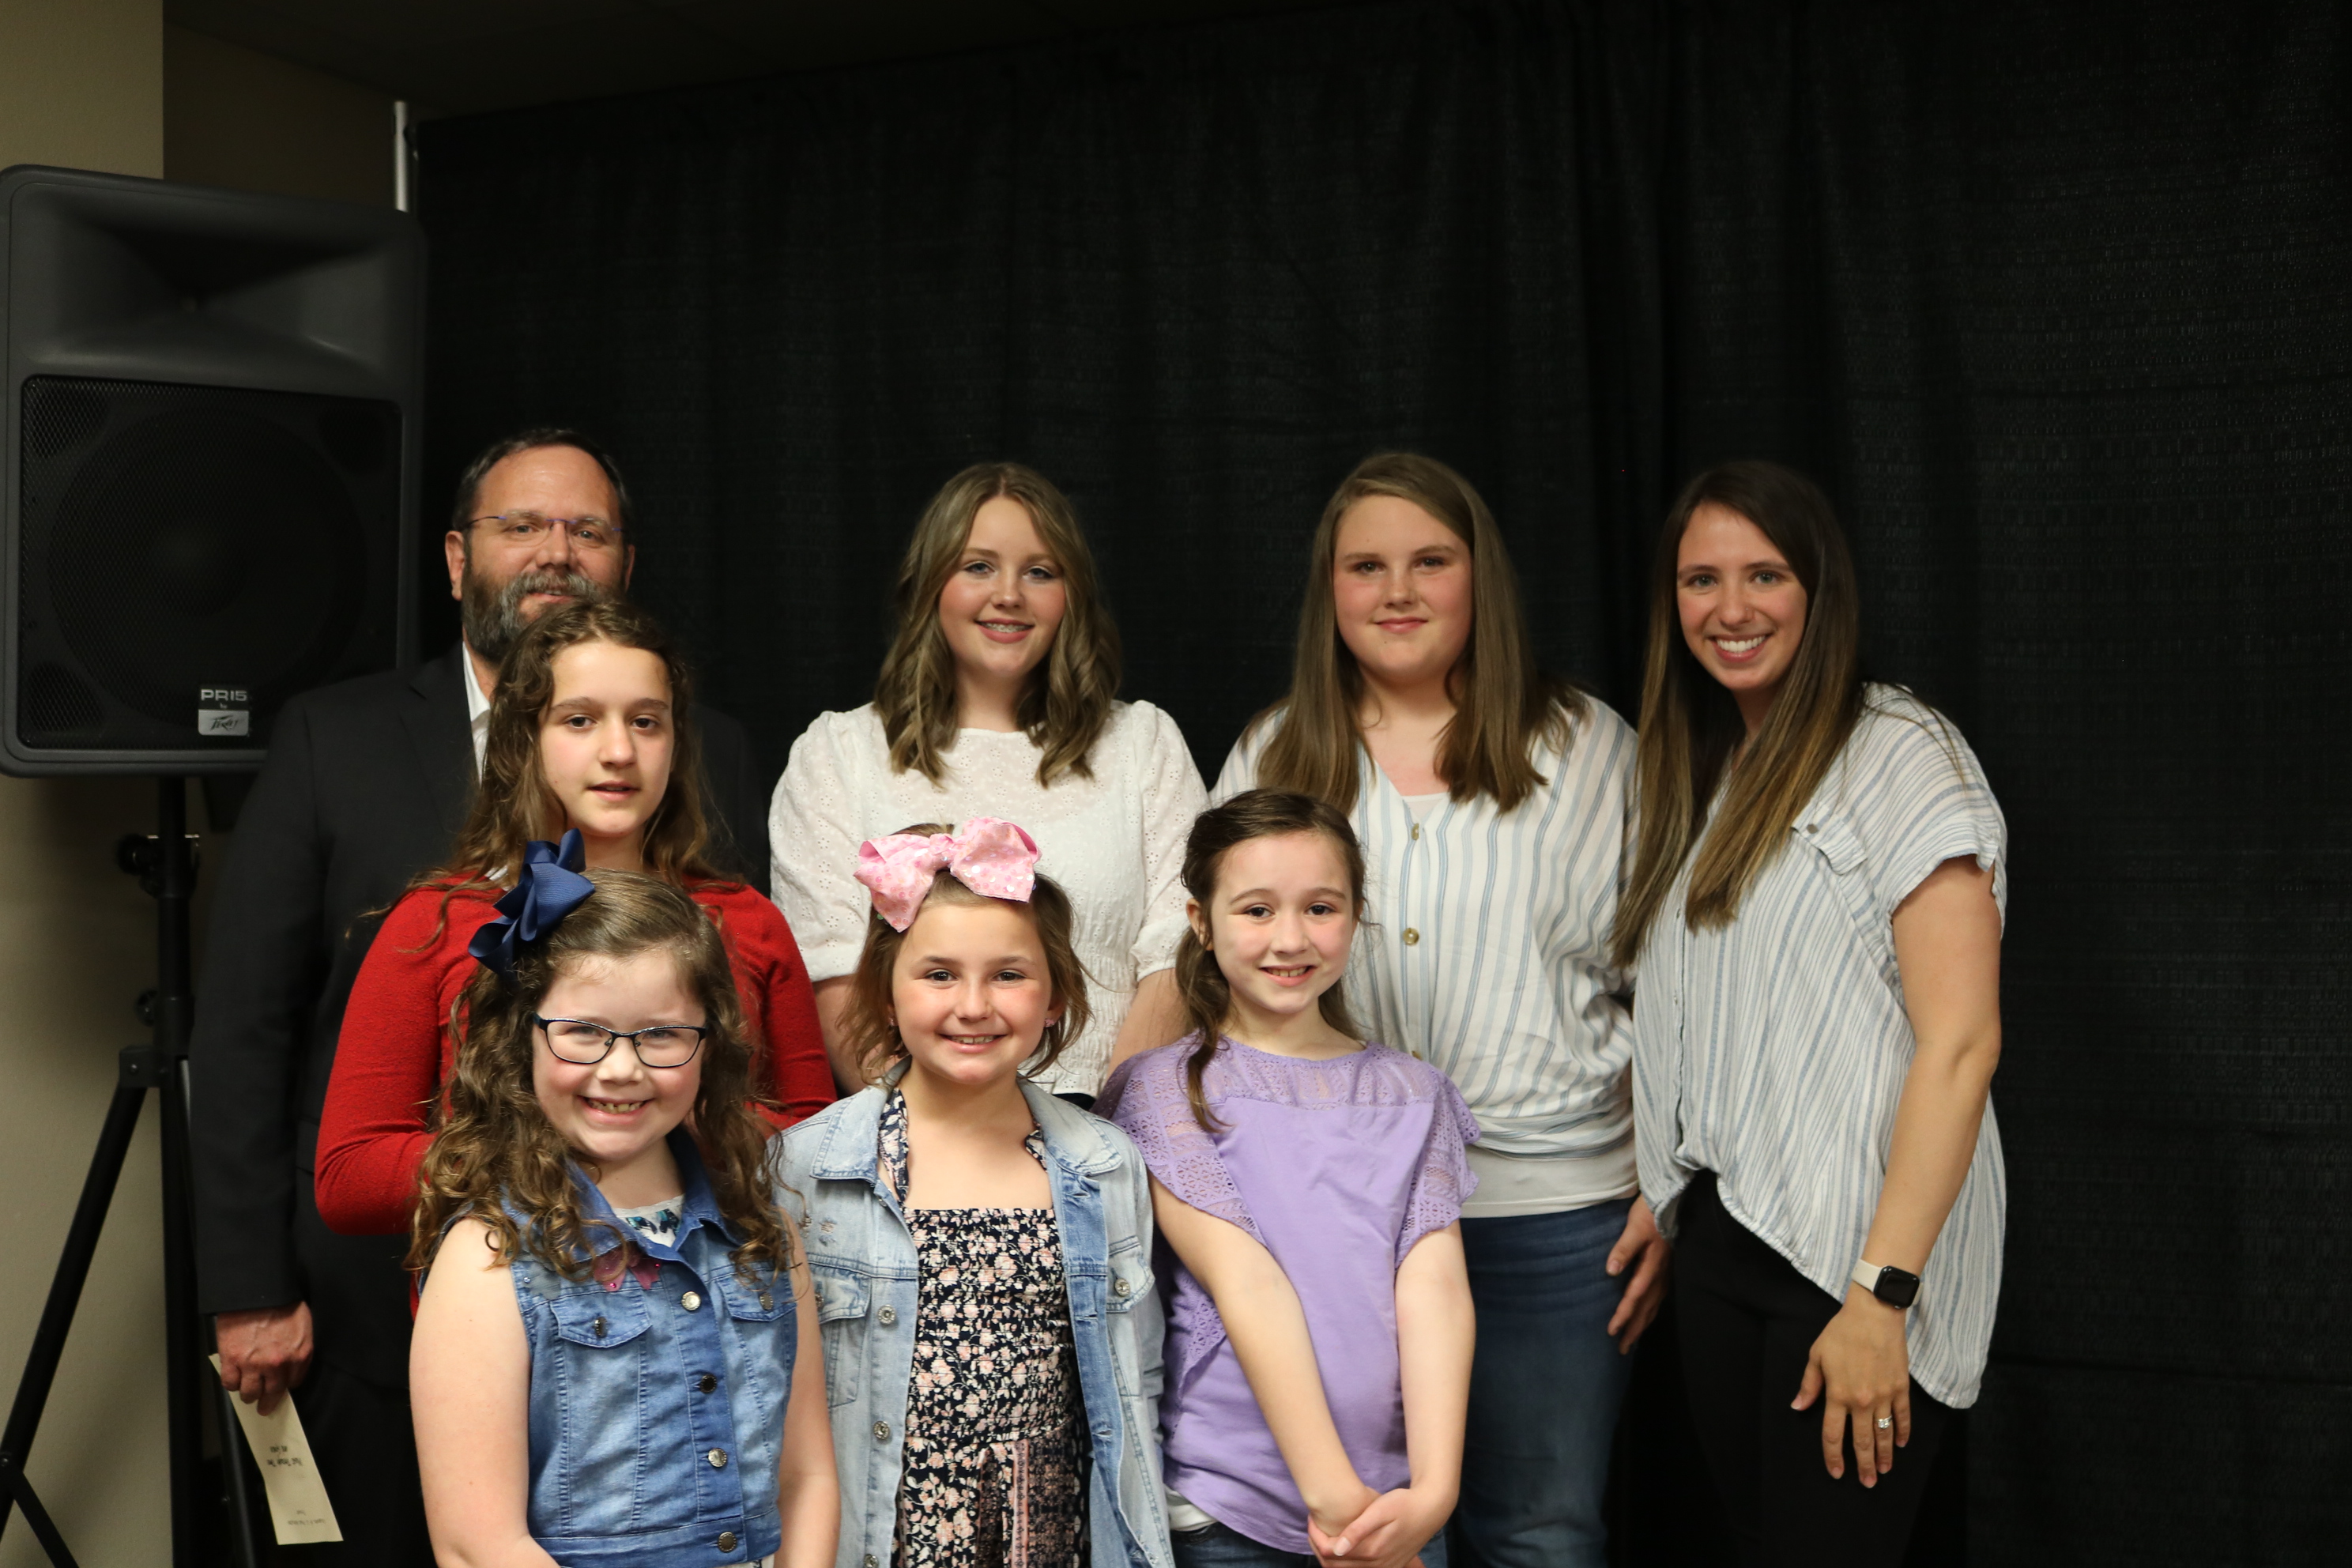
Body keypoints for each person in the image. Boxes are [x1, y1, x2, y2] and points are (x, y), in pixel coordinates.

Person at [190, 428, 770, 1563]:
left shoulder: (713, 751)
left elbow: (754, 1043)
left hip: (671, 1330)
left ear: (625, 566)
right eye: (522, 526)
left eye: (587, 531)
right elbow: (250, 1023)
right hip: (375, 1309)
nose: (556, 552)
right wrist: (249, 1285)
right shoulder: (335, 739)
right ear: (458, 561)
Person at [1211, 453, 1666, 1567]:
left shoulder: (1590, 751)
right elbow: (1210, 976)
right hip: (1329, 1212)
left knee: (1542, 1530)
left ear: (1481, 577)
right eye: (1366, 566)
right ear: (1329, 587)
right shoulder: (1277, 751)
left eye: (1431, 561)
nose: (1398, 591)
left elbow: (1677, 979)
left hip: (1550, 1211)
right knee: (1371, 1535)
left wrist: (1673, 1176)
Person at [1615, 460, 2006, 1561]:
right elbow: (1724, 1010)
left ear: (1819, 590)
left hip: (1855, 1262)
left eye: (1765, 575)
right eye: (1701, 580)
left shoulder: (1899, 753)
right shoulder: (1705, 766)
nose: (1730, 608)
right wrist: (1663, 1185)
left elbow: (1963, 1045)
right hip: (1727, 1241)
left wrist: (1881, 1298)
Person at [316, 599, 832, 1233]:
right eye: (580, 720)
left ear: (676, 742)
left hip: (715, 1281)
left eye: (646, 722)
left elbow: (818, 1148)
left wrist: (679, 1124)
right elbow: (350, 1176)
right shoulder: (438, 924)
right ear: (522, 739)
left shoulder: (747, 920)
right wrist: (556, 1148)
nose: (619, 750)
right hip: (501, 1281)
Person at [770, 818, 1176, 1568]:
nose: (974, 1005)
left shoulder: (1104, 1163)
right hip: (882, 1536)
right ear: (886, 993)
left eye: (1009, 975)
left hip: (1050, 1537)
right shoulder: (808, 1167)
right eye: (938, 975)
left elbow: (1135, 1380)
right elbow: (775, 1402)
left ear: (1055, 996)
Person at [408, 865, 837, 1567]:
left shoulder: (763, 1231)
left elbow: (807, 1476)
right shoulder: (487, 1256)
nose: (620, 1069)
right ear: (522, 1036)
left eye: (661, 1034)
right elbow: (476, 1544)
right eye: (583, 1031)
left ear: (710, 1044)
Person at [1098, 790, 1476, 1568]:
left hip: (1396, 1509)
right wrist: (1340, 1507)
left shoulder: (1415, 1093)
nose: (1291, 938)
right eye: (1258, 910)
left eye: (1321, 908)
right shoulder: (1164, 1089)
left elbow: (1436, 1291)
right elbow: (1247, 1284)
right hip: (1232, 1508)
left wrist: (1434, 1494)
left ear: (1356, 915)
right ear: (1202, 921)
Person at [769, 462, 1204, 1104]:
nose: (1009, 594)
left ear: (1072, 594)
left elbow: (1178, 947)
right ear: (929, 584)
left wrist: (1104, 1133)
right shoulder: (838, 754)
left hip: (1116, 1122)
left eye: (1040, 572)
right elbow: (834, 969)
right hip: (918, 1132)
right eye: (978, 566)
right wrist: (934, 1136)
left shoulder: (1143, 743)